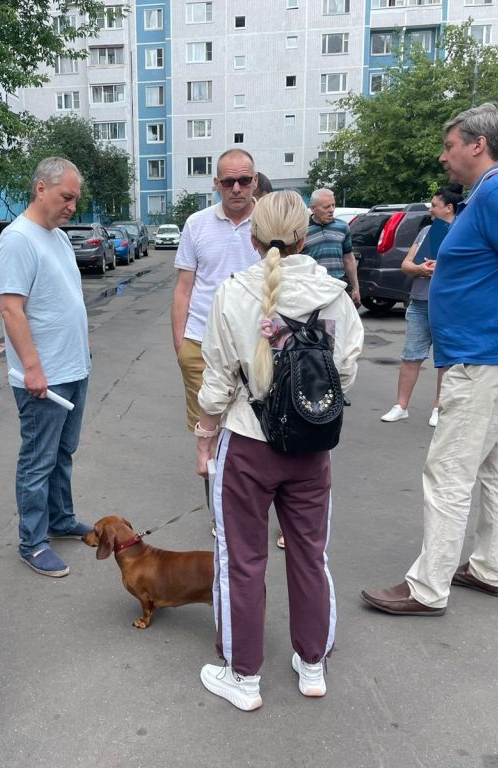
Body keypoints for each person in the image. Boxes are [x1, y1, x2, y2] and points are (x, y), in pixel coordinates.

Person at [361, 103, 498, 617]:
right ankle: (490, 569)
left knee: (449, 470)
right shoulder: (497, 193)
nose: (444, 157)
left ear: (477, 145)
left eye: (450, 145)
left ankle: (427, 587)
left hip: (488, 356)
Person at [194, 191, 363, 710]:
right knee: (310, 555)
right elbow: (347, 370)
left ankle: (243, 677)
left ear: (252, 236)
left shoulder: (233, 291)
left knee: (240, 560)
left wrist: (205, 437)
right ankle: (312, 666)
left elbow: (218, 378)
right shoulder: (334, 295)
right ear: (304, 236)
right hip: (312, 449)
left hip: (247, 443)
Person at [0, 157, 93, 578]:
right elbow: (11, 309)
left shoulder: (57, 238)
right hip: (44, 378)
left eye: (75, 198)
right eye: (65, 197)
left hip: (73, 369)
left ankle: (60, 519)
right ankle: (33, 543)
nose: (72, 206)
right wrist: (33, 369)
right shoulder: (18, 240)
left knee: (63, 453)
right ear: (40, 189)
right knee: (38, 460)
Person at [172, 149, 262, 534]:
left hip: (257, 347)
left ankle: (260, 513)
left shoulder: (269, 219)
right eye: (228, 182)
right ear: (216, 184)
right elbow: (183, 289)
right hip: (201, 346)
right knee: (208, 434)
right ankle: (219, 516)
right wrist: (181, 346)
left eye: (244, 180)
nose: (236, 188)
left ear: (255, 181)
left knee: (261, 429)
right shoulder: (197, 224)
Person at [380, 184, 464, 427]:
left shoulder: (461, 231)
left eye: (435, 205)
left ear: (449, 208)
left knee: (445, 358)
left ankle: (439, 407)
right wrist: (420, 269)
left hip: (448, 304)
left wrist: (440, 270)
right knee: (411, 356)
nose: (431, 209)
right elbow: (407, 265)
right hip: (419, 301)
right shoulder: (430, 230)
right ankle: (401, 406)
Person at [304, 188, 360, 307]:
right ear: (313, 208)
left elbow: (348, 259)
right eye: (326, 207)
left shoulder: (343, 227)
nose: (331, 210)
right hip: (312, 290)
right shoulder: (302, 230)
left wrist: (356, 288)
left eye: (333, 205)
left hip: (337, 286)